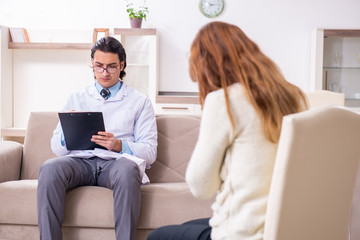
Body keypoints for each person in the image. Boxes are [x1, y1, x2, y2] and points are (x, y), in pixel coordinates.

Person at [147, 21, 308, 240]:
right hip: (285, 228)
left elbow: (201, 187)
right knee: (189, 226)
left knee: (159, 236)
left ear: (208, 67)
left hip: (243, 232)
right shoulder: (293, 96)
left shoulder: (224, 101)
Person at [37, 36, 158, 240]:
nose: (104, 72)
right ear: (91, 65)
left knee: (128, 170)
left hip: (116, 164)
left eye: (111, 66)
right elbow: (57, 149)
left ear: (122, 65)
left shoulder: (140, 102)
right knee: (49, 167)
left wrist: (120, 145)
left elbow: (150, 152)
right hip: (79, 162)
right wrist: (70, 129)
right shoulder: (76, 98)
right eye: (99, 66)